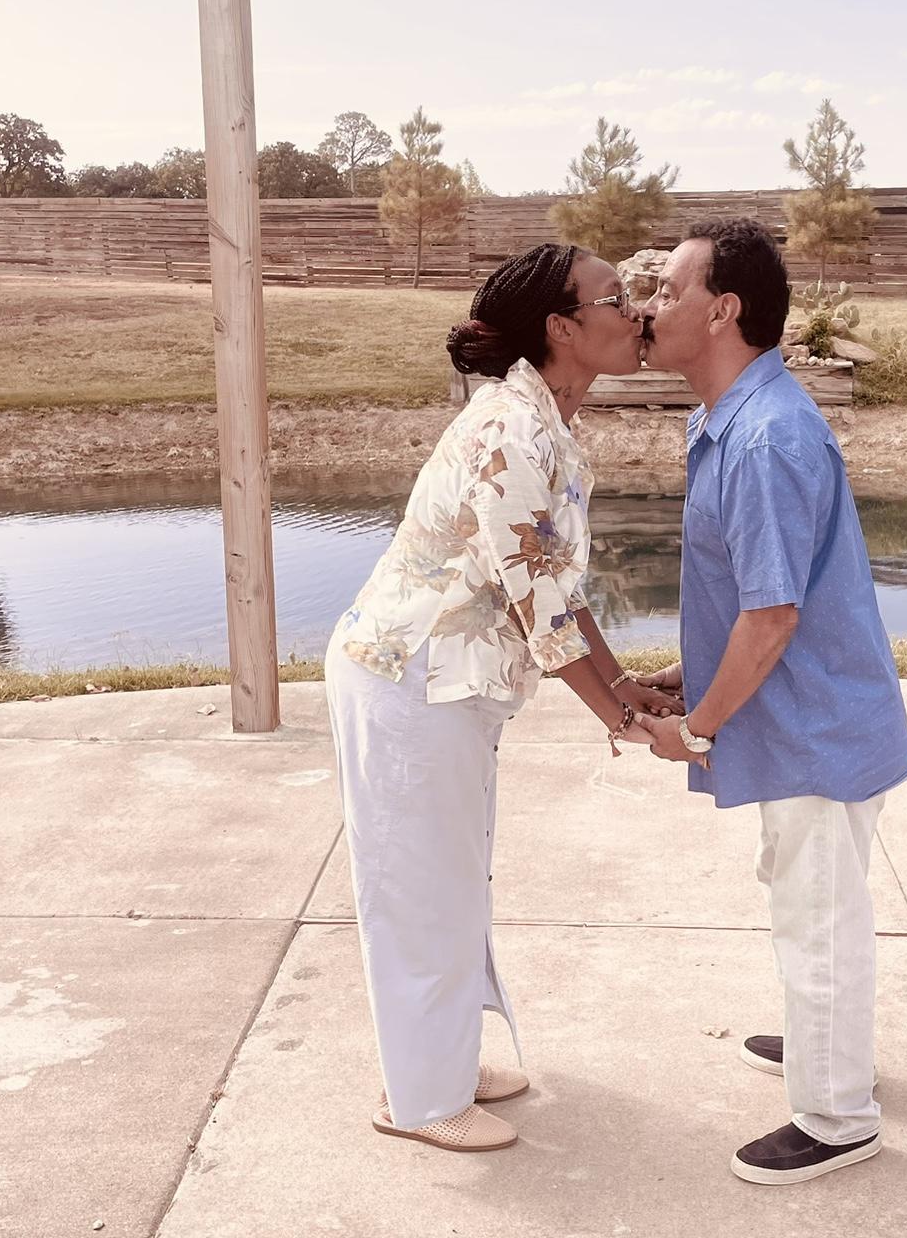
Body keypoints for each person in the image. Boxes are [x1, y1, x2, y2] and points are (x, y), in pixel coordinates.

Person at [325, 243, 677, 1154]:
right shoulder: (512, 431)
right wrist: (622, 719)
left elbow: (555, 583)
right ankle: (419, 1099)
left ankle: (438, 1063)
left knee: (451, 883)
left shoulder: (542, 419)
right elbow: (538, 604)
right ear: (562, 327)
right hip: (410, 680)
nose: (637, 311)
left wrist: (625, 685)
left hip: (448, 686)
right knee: (419, 890)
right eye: (616, 297)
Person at [635, 218, 907, 1185]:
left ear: (722, 310)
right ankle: (827, 1042)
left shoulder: (763, 438)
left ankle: (838, 1118)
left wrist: (698, 727)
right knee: (811, 899)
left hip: (816, 730)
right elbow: (759, 602)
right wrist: (696, 676)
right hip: (806, 715)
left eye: (667, 289)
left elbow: (772, 616)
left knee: (818, 917)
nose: (649, 306)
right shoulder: (733, 420)